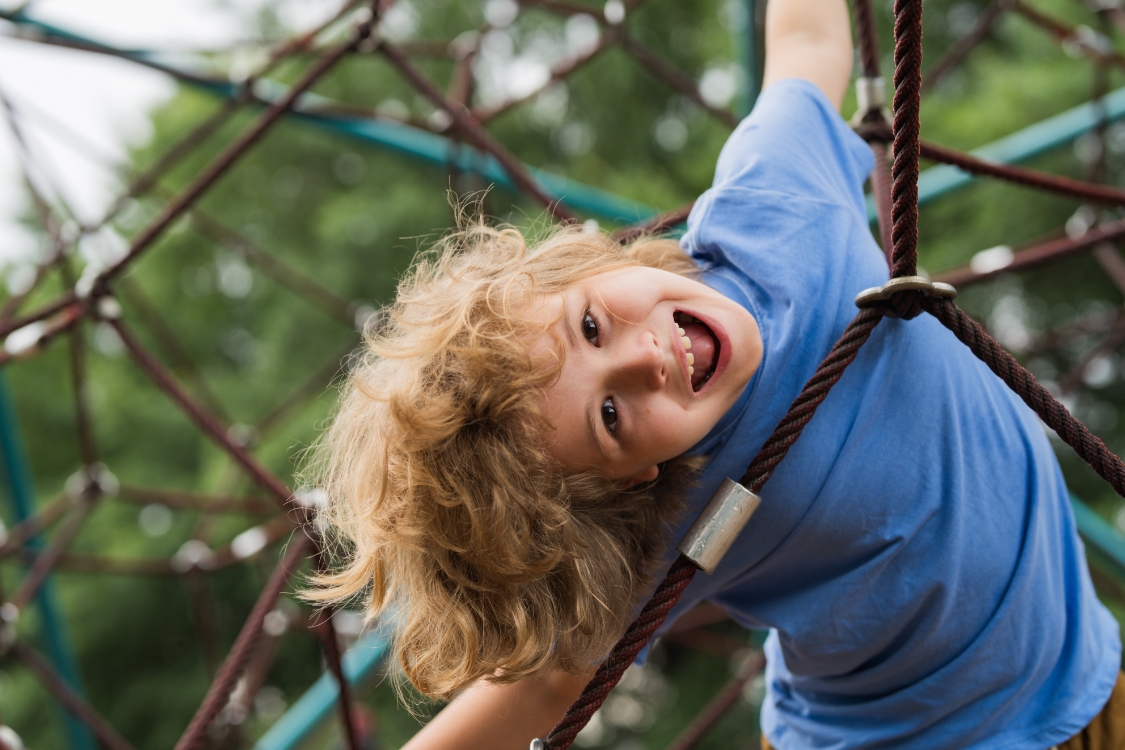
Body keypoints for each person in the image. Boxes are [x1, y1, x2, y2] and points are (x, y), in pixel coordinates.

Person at [306, 0, 1123, 746]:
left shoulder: (769, 210)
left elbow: (804, 41)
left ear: (580, 265)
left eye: (590, 325)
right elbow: (543, 688)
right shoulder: (678, 515)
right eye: (611, 417)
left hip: (1081, 674)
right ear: (628, 480)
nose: (642, 359)